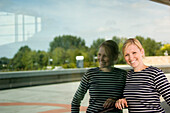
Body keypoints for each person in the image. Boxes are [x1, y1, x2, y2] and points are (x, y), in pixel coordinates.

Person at [115, 38, 170, 113]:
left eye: (134, 53)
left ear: (141, 52)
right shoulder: (127, 76)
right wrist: (122, 100)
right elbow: (132, 99)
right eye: (127, 55)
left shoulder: (155, 73)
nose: (131, 58)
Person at [71, 40, 127, 113]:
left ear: (115, 57)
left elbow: (129, 100)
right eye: (99, 55)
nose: (101, 59)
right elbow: (76, 100)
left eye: (105, 56)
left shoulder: (123, 75)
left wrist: (116, 101)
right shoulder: (90, 74)